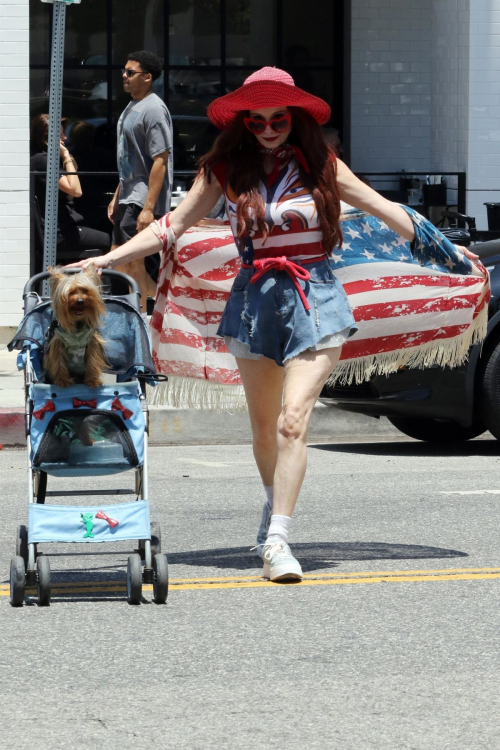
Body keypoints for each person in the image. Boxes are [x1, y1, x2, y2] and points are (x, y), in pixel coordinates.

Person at [67, 67, 479, 582]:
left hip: (316, 298)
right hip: (252, 302)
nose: (267, 128)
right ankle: (273, 505)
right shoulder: (224, 169)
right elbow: (172, 226)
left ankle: (278, 541)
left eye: (277, 118)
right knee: (264, 431)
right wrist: (109, 259)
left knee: (292, 421)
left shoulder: (322, 165)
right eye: (257, 119)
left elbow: (382, 207)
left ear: (294, 118)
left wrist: (442, 248)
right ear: (243, 121)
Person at [109, 50, 173, 319]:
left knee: (133, 263)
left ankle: (153, 318)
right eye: (123, 71)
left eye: (130, 72)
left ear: (147, 77)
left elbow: (160, 160)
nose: (124, 76)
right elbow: (128, 161)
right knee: (117, 260)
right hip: (129, 197)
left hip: (142, 201)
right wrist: (117, 196)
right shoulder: (132, 106)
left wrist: (148, 208)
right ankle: (144, 314)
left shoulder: (154, 109)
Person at [30, 114, 111, 261]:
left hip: (63, 227)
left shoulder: (44, 158)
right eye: (60, 134)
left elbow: (74, 172)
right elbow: (75, 190)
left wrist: (64, 157)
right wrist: (65, 154)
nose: (65, 138)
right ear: (46, 138)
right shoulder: (42, 161)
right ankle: (108, 282)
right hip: (58, 233)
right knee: (107, 238)